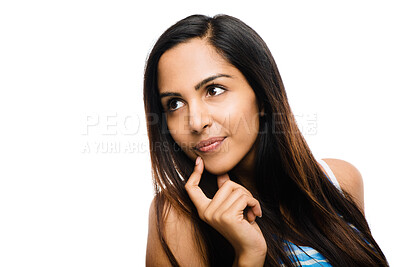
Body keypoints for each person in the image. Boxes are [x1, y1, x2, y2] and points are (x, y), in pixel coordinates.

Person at [143, 14, 388, 266]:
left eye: (214, 90)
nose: (195, 122)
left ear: (261, 96)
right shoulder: (176, 218)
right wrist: (248, 256)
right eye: (175, 104)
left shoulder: (340, 180)